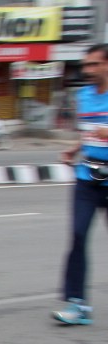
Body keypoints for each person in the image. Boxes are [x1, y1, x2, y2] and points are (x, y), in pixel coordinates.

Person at [54, 43, 108, 325]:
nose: (87, 70)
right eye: (86, 65)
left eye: (94, 65)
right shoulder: (84, 96)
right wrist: (75, 148)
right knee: (77, 236)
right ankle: (77, 304)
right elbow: (90, 133)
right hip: (87, 177)